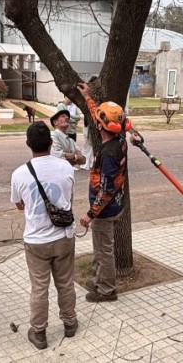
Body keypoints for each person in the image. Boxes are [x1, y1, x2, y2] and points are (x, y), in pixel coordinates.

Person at [10, 122, 79, 350]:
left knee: (39, 287)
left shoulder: (19, 173)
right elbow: (69, 196)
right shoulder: (66, 167)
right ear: (51, 143)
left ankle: (39, 332)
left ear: (28, 144)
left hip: (36, 240)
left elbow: (19, 204)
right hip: (64, 236)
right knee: (65, 283)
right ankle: (70, 323)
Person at [75, 82, 128, 303]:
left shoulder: (108, 154)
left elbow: (106, 189)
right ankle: (99, 281)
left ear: (101, 126)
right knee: (101, 249)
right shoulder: (120, 139)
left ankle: (106, 290)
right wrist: (88, 97)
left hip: (105, 211)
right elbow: (99, 116)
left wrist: (91, 214)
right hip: (116, 205)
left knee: (104, 251)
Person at [80, 76, 99, 170]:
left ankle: (89, 162)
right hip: (88, 126)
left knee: (90, 145)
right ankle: (87, 163)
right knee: (88, 145)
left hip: (89, 125)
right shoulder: (88, 98)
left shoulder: (92, 98)